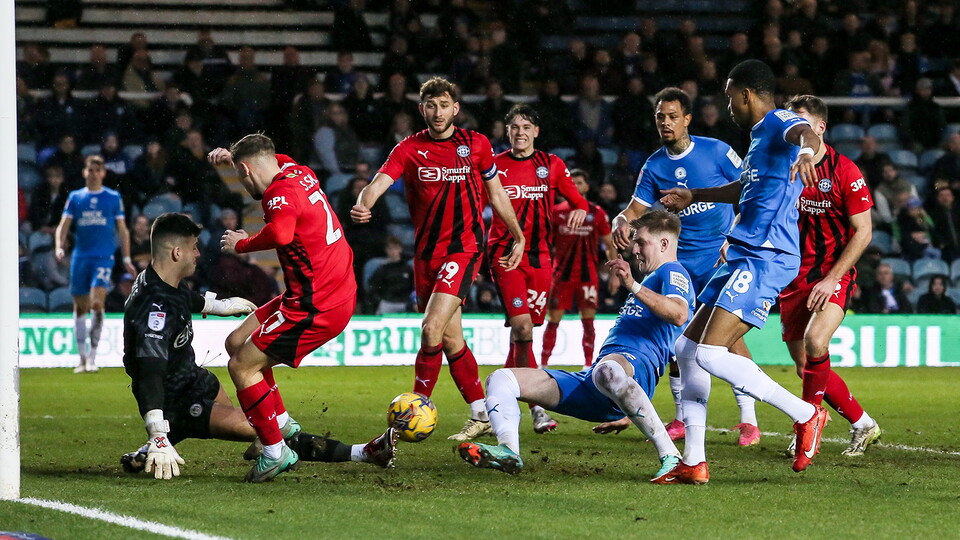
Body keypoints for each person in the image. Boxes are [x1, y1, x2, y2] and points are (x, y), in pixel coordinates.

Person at [119, 213, 397, 480]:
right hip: (177, 400)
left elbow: (180, 298)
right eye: (193, 248)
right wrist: (156, 431)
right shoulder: (154, 310)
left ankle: (151, 449)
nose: (198, 254)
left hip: (196, 380)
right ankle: (364, 452)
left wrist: (219, 306)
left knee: (263, 429)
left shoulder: (157, 280)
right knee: (270, 430)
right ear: (177, 253)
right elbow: (149, 373)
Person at [656, 60, 828, 483]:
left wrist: (808, 150)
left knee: (713, 353)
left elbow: (804, 134)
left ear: (746, 94)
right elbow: (747, 188)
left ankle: (806, 414)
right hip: (741, 252)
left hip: (765, 255)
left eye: (730, 95)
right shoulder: (757, 139)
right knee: (687, 350)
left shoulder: (779, 122)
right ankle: (694, 461)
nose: (727, 104)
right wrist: (695, 193)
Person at [351, 77, 526, 441]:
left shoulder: (475, 145)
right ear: (422, 109)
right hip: (427, 255)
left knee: (430, 329)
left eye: (444, 105)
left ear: (455, 109)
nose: (437, 112)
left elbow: (497, 193)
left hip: (463, 248)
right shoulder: (410, 148)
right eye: (430, 105)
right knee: (450, 339)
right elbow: (380, 181)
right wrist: (364, 203)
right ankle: (483, 413)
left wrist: (518, 235)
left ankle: (414, 411)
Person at [458, 211, 691, 480]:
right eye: (635, 242)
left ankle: (671, 457)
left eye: (641, 242)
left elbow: (679, 313)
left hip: (630, 368)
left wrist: (632, 285)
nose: (634, 249)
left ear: (664, 244)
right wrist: (628, 407)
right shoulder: (650, 280)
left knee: (608, 371)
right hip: (601, 380)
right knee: (502, 378)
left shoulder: (672, 271)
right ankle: (509, 451)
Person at [599, 87, 760, 447]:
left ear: (688, 118)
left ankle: (748, 419)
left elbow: (750, 190)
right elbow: (633, 210)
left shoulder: (717, 151)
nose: (666, 123)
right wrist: (619, 222)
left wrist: (734, 237)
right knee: (675, 343)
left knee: (729, 339)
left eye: (673, 116)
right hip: (680, 266)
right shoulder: (655, 165)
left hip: (720, 258)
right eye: (660, 117)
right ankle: (681, 418)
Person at [208, 134, 371, 482]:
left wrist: (242, 243)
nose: (242, 181)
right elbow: (272, 154)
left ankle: (274, 450)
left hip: (318, 304)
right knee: (236, 343)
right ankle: (281, 424)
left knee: (240, 367)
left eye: (240, 174)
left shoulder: (277, 193)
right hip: (316, 291)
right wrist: (232, 157)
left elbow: (281, 234)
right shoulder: (299, 170)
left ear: (247, 169)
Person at [778, 95, 881, 458]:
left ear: (819, 127)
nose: (794, 126)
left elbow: (864, 231)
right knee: (805, 365)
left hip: (831, 273)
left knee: (816, 341)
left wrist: (831, 278)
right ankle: (864, 423)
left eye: (801, 120)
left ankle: (807, 426)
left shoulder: (845, 171)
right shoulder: (785, 162)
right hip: (791, 275)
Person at [487, 103, 591, 434]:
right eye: (514, 127)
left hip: (541, 259)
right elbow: (475, 205)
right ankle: (536, 409)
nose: (520, 132)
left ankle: (493, 398)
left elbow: (579, 200)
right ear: (507, 132)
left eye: (526, 126)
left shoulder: (551, 165)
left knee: (524, 337)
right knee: (523, 331)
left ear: (536, 132)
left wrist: (578, 209)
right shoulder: (494, 167)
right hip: (506, 255)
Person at [55, 155, 136, 373]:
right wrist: (59, 246)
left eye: (97, 170)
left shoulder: (112, 197)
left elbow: (123, 230)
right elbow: (63, 226)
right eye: (90, 170)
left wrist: (126, 258)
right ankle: (81, 359)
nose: (93, 174)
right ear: (84, 172)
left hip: (103, 257)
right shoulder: (75, 197)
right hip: (81, 257)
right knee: (80, 307)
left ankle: (92, 357)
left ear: (103, 173)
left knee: (97, 304)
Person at [541, 169, 615, 368]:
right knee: (553, 319)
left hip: (587, 275)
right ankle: (544, 364)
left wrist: (615, 273)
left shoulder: (597, 213)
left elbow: (610, 245)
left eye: (579, 182)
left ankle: (588, 364)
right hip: (561, 275)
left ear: (587, 186)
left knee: (588, 321)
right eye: (571, 183)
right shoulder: (556, 212)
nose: (575, 186)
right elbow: (545, 244)